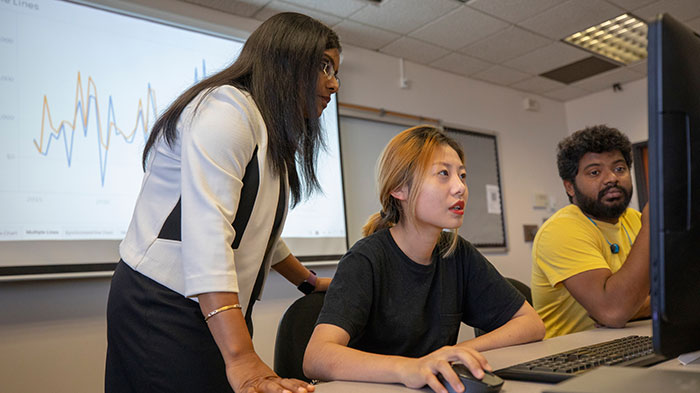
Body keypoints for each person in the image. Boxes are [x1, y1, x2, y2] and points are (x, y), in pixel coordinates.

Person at [105, 13, 341, 393]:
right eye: (324, 66)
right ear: (286, 59)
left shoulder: (266, 128)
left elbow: (254, 233)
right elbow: (207, 232)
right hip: (163, 305)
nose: (333, 83)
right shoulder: (227, 110)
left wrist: (308, 282)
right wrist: (240, 357)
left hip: (215, 304)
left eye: (336, 71)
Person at [303, 126, 545, 393]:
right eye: (444, 174)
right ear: (399, 188)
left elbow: (530, 323)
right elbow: (316, 357)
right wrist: (409, 367)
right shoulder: (366, 259)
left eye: (462, 176)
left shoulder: (456, 252)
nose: (460, 187)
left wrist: (450, 353)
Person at [531, 125, 650, 339]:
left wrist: (634, 305)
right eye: (595, 172)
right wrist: (653, 224)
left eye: (620, 169)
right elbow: (613, 311)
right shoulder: (561, 230)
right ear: (569, 187)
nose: (611, 178)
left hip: (629, 341)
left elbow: (681, 294)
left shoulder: (634, 220)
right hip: (574, 358)